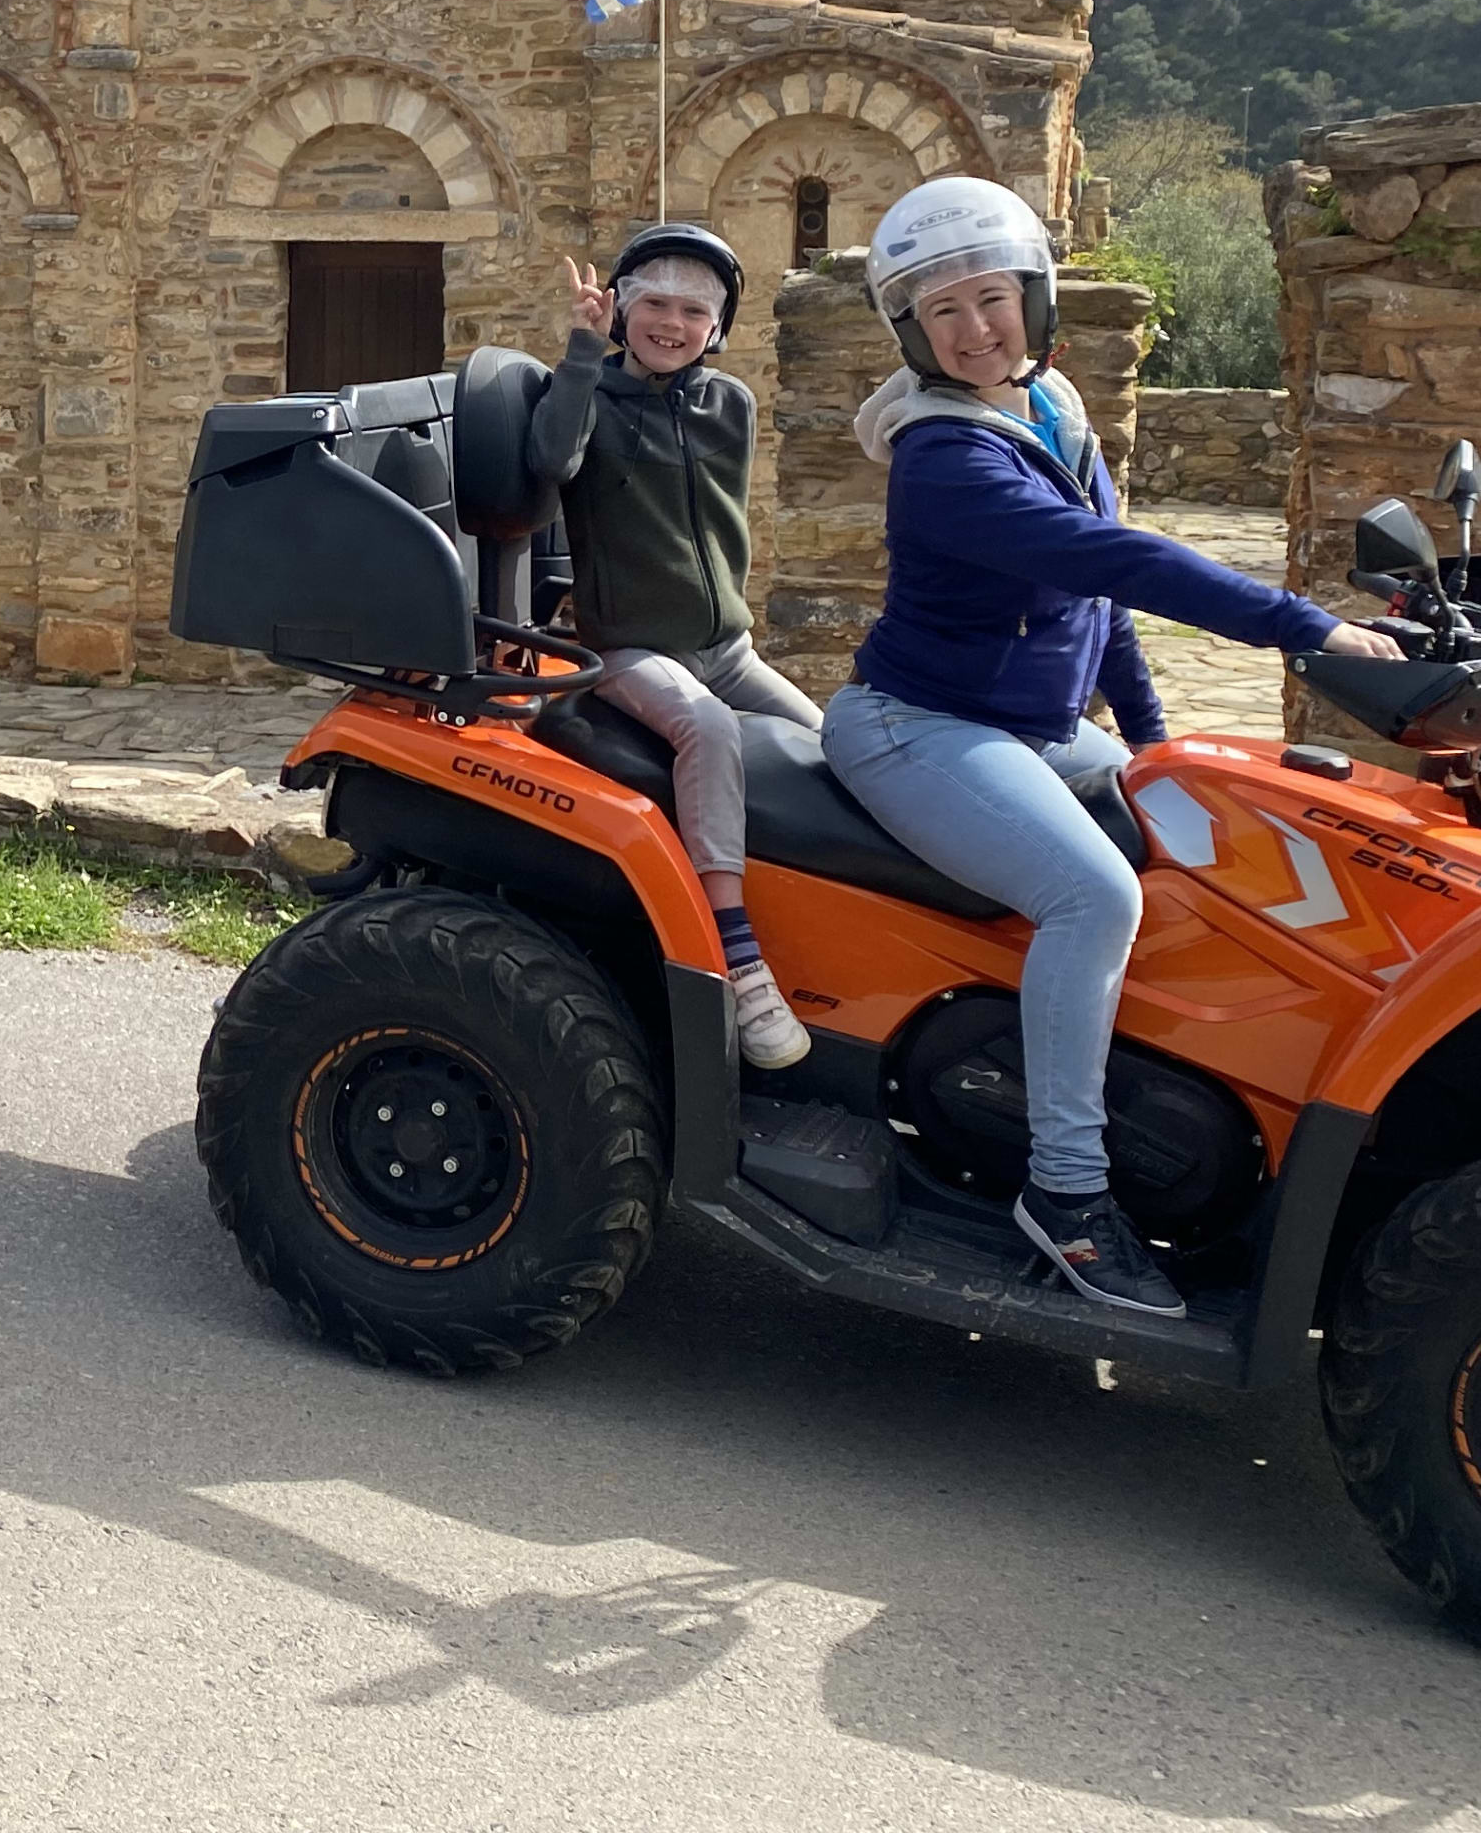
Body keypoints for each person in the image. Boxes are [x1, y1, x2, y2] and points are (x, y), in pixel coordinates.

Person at [818, 176, 1402, 1316]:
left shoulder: (1052, 410)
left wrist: (1152, 745)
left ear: (1034, 301)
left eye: (991, 299)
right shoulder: (947, 458)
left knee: (1221, 827)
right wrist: (1309, 629)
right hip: (918, 729)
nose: (974, 329)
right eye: (943, 313)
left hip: (1036, 732)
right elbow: (1119, 563)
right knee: (1097, 902)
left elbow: (1101, 611)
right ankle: (1070, 1197)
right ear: (913, 334)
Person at [534, 222, 821, 1073]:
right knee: (711, 732)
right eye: (653, 303)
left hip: (727, 647)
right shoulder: (586, 394)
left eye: (693, 311)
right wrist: (585, 351)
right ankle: (738, 959)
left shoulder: (730, 403)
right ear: (622, 308)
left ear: (717, 326)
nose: (672, 322)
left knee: (832, 749)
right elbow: (551, 462)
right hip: (629, 647)